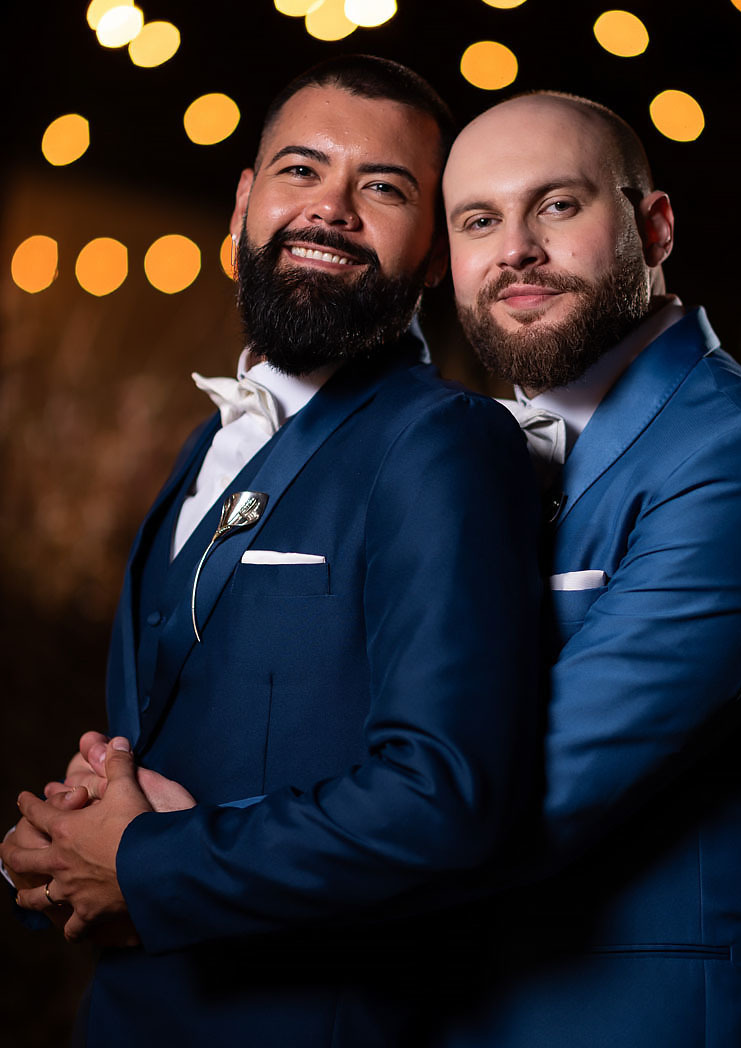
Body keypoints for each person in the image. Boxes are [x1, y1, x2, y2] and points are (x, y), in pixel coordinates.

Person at [2, 56, 541, 1047]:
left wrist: (144, 862)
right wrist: (64, 839)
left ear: (433, 254)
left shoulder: (443, 443)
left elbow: (442, 799)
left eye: (381, 188)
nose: (329, 207)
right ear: (245, 204)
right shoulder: (207, 442)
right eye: (301, 171)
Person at [441, 91, 741, 1046]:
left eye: (557, 205)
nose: (515, 246)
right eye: (479, 219)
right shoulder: (462, 452)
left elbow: (523, 794)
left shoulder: (736, 460)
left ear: (656, 226)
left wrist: (169, 854)